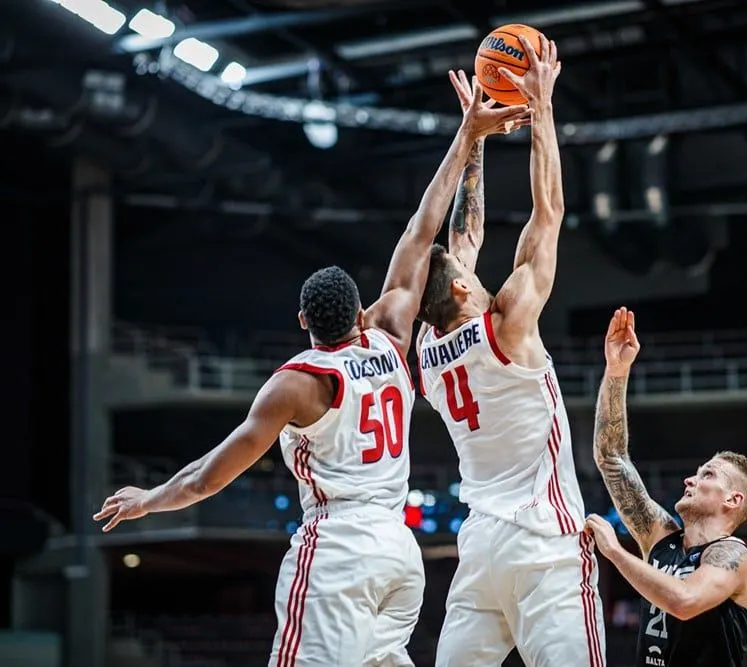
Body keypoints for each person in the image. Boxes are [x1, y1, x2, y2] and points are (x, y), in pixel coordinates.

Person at [92, 81, 532, 667]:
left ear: (303, 320)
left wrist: (148, 500)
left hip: (339, 551)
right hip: (400, 554)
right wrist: (467, 135)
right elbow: (421, 229)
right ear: (359, 312)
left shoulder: (295, 384)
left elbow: (205, 480)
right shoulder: (390, 333)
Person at [416, 38, 606, 667]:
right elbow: (548, 212)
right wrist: (540, 105)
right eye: (464, 272)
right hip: (544, 544)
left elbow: (461, 236)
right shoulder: (509, 326)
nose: (469, 265)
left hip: (480, 550)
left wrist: (474, 134)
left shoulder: (428, 347)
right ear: (461, 288)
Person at [585, 307, 747, 667]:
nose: (691, 479)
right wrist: (617, 370)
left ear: (733, 500)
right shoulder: (662, 539)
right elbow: (611, 457)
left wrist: (615, 552)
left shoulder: (733, 557)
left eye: (708, 476)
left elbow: (685, 602)